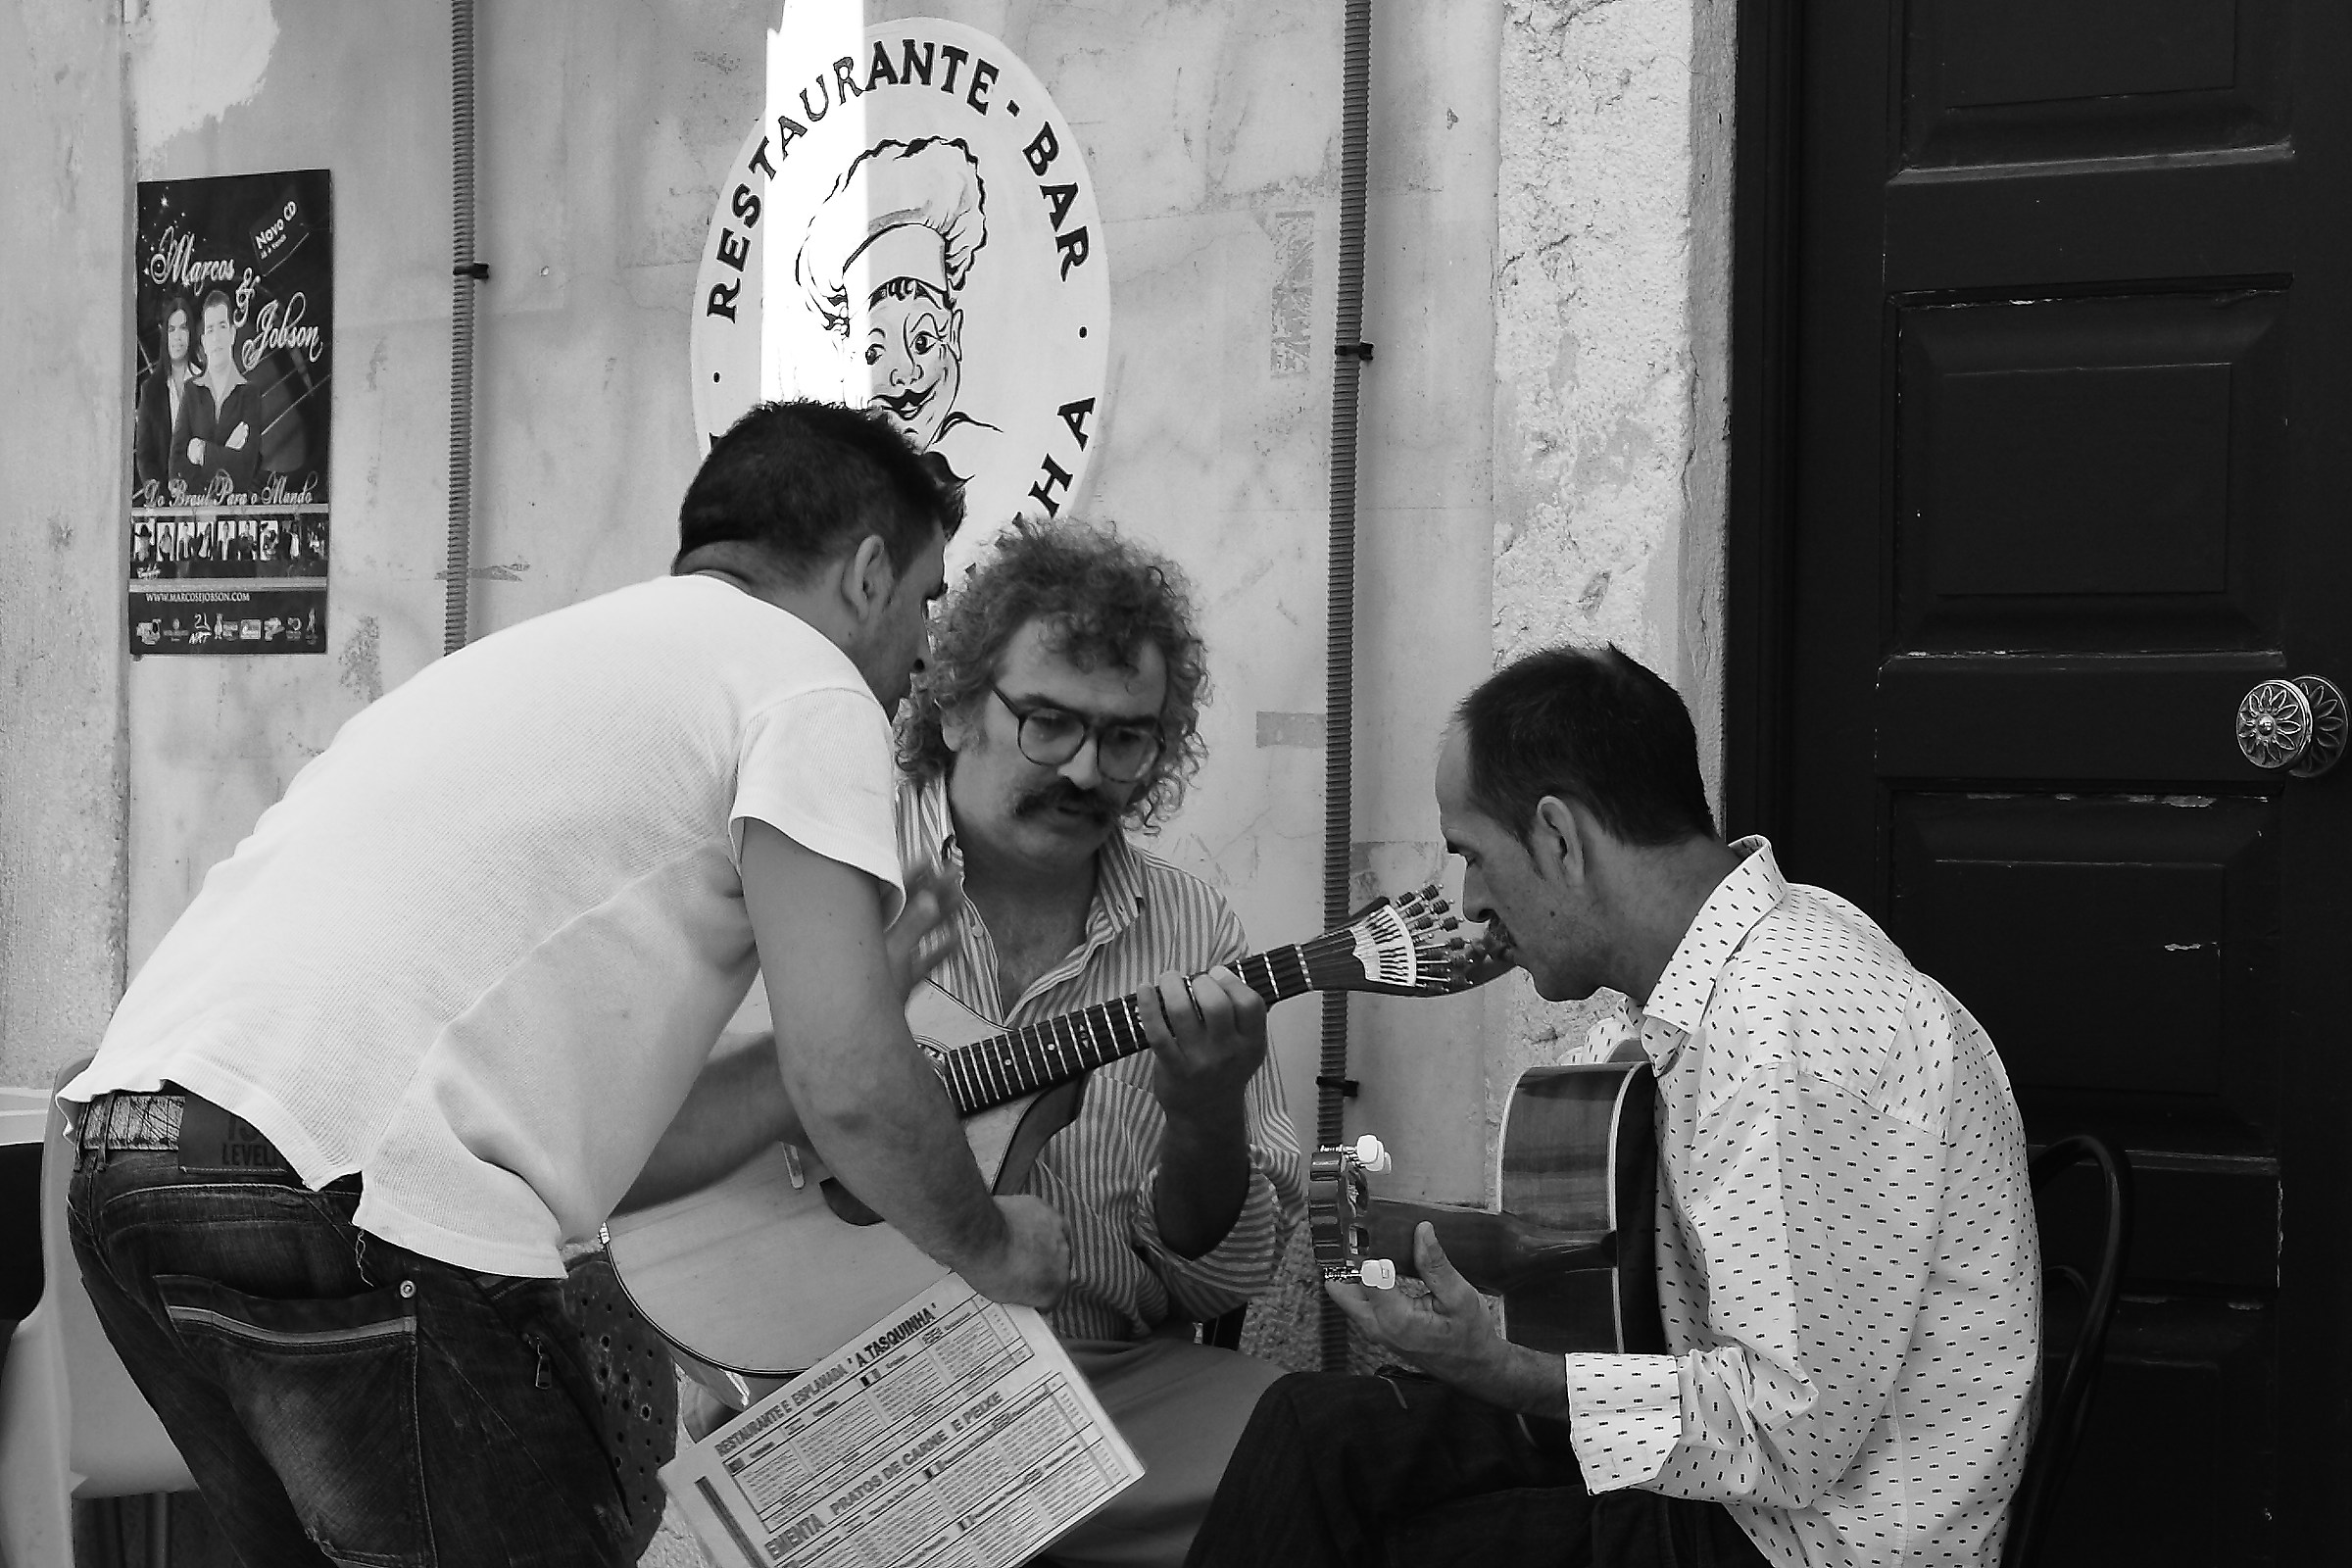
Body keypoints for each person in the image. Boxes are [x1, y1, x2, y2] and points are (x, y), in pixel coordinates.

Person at [61, 399, 1071, 1568]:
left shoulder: (553, 661)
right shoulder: (806, 680)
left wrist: (839, 1029)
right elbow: (852, 1084)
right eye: (928, 600)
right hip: (342, 1184)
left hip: (131, 1147)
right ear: (865, 572)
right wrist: (994, 1243)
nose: (920, 654)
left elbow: (644, 1148)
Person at [1184, 645, 2039, 1568]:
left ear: (1559, 838)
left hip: (1802, 1543)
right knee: (1318, 1435)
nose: (1470, 905)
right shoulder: (1732, 971)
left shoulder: (1786, 1025)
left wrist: (1505, 1371)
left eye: (1473, 856)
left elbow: (1789, 1440)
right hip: (1730, 1490)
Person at [891, 516, 1302, 1567]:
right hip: (850, 1383)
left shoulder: (1191, 933)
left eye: (1127, 738)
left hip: (1098, 1383)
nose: (1085, 769)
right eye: (1047, 722)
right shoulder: (835, 879)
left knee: (1330, 1460)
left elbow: (1219, 1280)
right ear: (952, 705)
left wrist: (1206, 1111)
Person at [797, 136, 1002, 487]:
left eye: (922, 341)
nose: (904, 375)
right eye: (874, 352)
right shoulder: (826, 485)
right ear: (843, 356)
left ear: (953, 333)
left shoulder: (995, 457)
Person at [172, 288, 264, 502]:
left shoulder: (249, 394)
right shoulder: (191, 391)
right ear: (203, 341)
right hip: (196, 519)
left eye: (222, 326)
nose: (217, 337)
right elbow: (176, 467)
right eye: (210, 329)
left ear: (232, 333)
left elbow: (245, 472)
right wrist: (227, 452)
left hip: (234, 519)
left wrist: (201, 452)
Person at [134, 293, 198, 502]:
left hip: (205, 501)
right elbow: (145, 456)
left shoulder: (207, 382)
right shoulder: (150, 390)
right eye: (171, 330)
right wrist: (164, 499)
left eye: (183, 329)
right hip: (168, 506)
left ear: (192, 334)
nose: (177, 337)